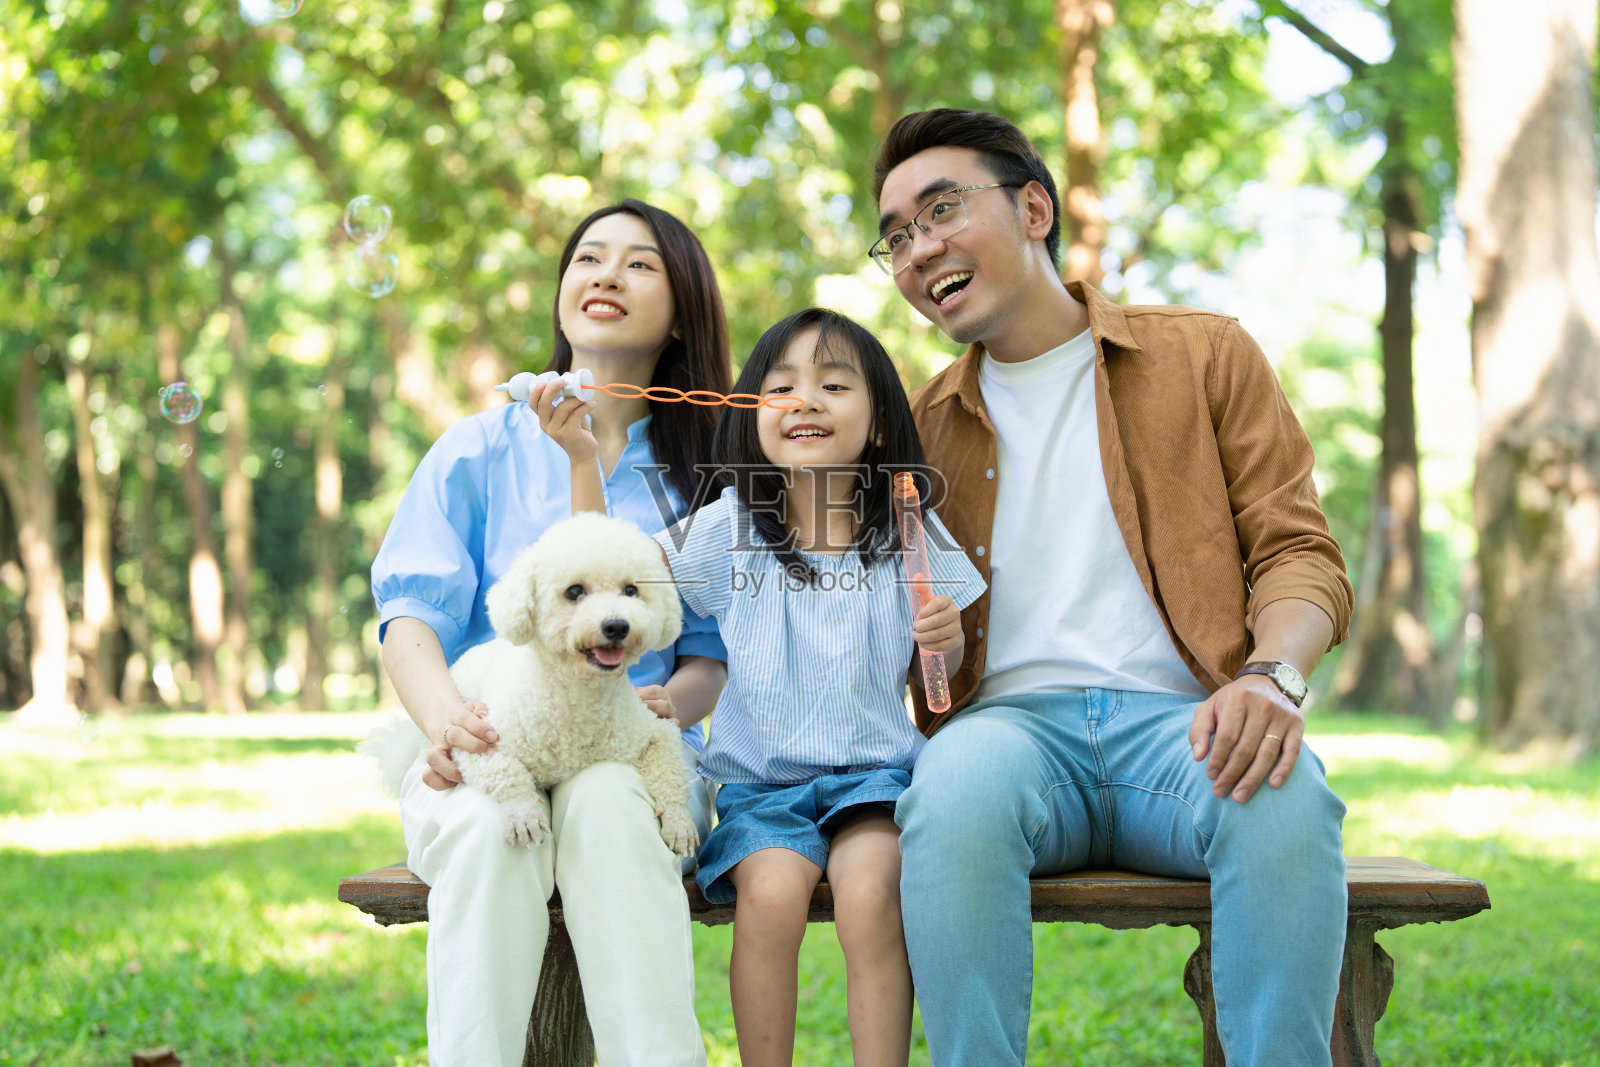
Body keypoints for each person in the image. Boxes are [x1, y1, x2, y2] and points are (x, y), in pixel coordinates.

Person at [871, 109, 1355, 1065]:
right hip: (1008, 737)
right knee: (953, 784)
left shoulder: (1204, 355)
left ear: (1035, 208)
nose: (919, 251)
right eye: (896, 237)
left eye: (940, 212)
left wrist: (1270, 677)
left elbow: (1299, 551)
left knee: (1285, 791)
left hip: (1186, 726)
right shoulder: (913, 424)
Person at [539, 307, 986, 1067]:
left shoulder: (906, 527)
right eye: (781, 387)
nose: (805, 400)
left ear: (878, 422)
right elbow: (608, 569)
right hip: (759, 783)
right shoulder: (729, 525)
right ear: (753, 417)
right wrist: (584, 457)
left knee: (873, 894)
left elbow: (948, 653)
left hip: (876, 778)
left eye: (834, 384)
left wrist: (945, 634)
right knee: (771, 897)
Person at [371, 199, 733, 1067]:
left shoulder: (709, 469)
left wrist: (659, 711)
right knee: (492, 825)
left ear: (682, 311)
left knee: (615, 807)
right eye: (588, 258)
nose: (606, 273)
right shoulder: (475, 447)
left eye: (640, 263)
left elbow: (706, 656)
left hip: (630, 746)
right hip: (486, 738)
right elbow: (409, 615)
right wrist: (447, 722)